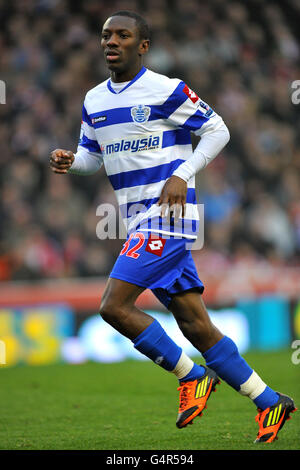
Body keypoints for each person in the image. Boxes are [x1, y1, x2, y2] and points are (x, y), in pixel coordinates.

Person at [50, 10, 296, 443]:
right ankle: (269, 400)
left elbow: (218, 130)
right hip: (135, 221)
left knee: (112, 306)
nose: (111, 41)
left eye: (122, 35)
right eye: (106, 35)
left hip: (168, 218)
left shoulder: (166, 90)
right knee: (195, 324)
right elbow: (93, 157)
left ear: (142, 46)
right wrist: (73, 164)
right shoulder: (94, 100)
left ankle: (190, 376)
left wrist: (183, 173)